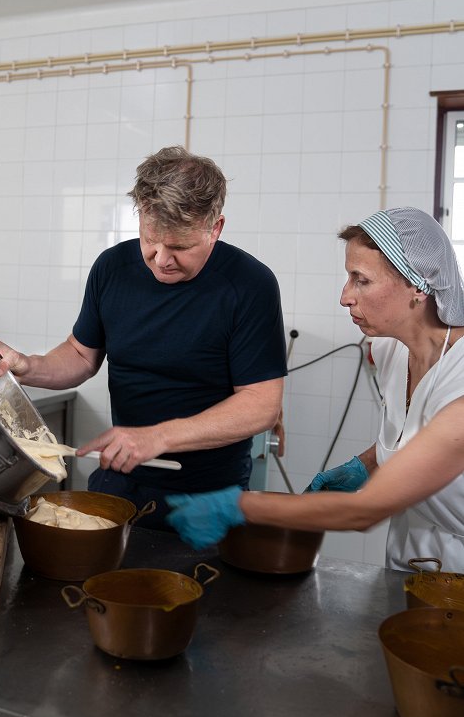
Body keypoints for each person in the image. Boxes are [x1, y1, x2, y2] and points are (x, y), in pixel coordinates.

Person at [0, 146, 287, 529]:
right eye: (151, 239)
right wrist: (27, 365)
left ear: (215, 228)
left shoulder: (249, 286)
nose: (162, 259)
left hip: (209, 491)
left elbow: (261, 404)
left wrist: (158, 437)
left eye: (180, 246)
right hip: (122, 477)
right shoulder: (112, 268)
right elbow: (81, 356)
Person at [166, 206, 464, 572]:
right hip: (410, 558)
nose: (345, 297)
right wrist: (365, 464)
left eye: (361, 280)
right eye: (347, 277)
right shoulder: (389, 349)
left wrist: (237, 506)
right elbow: (416, 432)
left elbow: (366, 510)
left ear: (418, 284)